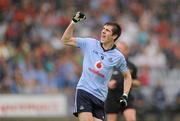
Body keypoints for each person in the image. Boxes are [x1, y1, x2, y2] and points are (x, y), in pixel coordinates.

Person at [61, 12, 132, 121]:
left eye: (107, 30)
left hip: (100, 98)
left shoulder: (118, 57)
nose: (103, 31)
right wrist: (73, 22)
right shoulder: (90, 43)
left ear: (114, 36)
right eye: (103, 29)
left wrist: (125, 95)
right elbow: (65, 40)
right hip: (84, 91)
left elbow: (127, 76)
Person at [105, 41, 140, 121]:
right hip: (112, 97)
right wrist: (108, 83)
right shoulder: (109, 63)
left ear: (126, 51)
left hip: (126, 96)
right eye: (117, 49)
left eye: (120, 49)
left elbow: (137, 82)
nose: (118, 51)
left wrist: (130, 81)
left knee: (131, 119)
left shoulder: (131, 66)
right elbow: (100, 78)